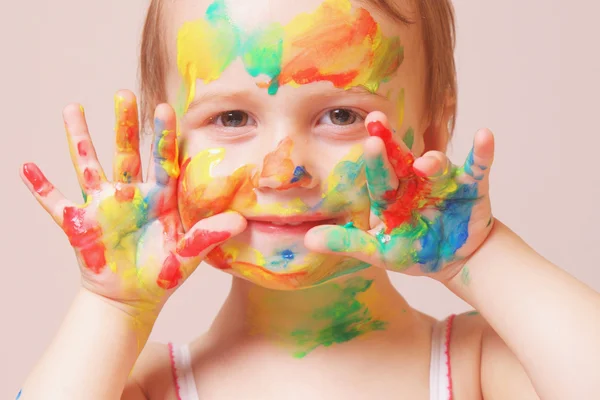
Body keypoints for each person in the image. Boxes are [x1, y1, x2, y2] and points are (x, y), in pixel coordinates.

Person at [17, 0, 600, 399]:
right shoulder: (143, 385)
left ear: (429, 132)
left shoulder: (479, 367)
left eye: (341, 115)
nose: (283, 169)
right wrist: (113, 308)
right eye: (232, 117)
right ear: (165, 146)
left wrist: (479, 255)